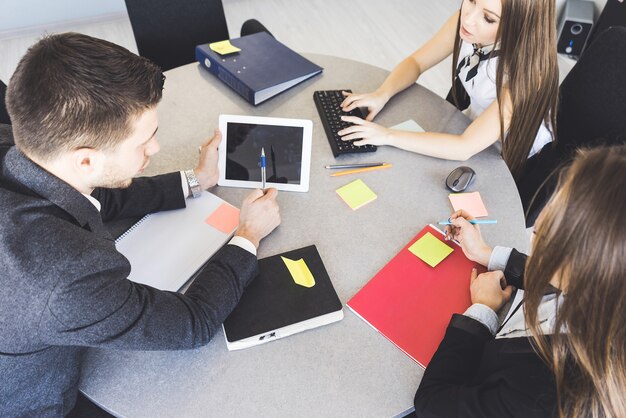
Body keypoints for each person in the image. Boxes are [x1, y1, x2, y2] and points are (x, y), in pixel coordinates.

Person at [0, 32, 281, 417]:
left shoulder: (23, 149)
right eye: (145, 141)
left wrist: (195, 180)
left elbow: (87, 192)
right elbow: (191, 324)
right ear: (86, 160)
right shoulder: (67, 278)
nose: (156, 149)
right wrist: (247, 235)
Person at [414, 145, 626, 417]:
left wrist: (482, 312)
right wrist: (485, 253)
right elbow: (564, 281)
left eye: (558, 214)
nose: (539, 219)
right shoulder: (606, 292)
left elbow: (432, 403)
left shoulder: (543, 393)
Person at [339, 0, 559, 179]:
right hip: (472, 124)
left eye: (488, 18)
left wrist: (386, 135)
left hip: (509, 150)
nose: (469, 18)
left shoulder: (527, 73)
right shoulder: (464, 23)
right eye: (472, 0)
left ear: (518, 26)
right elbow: (416, 62)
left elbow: (465, 147)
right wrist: (382, 94)